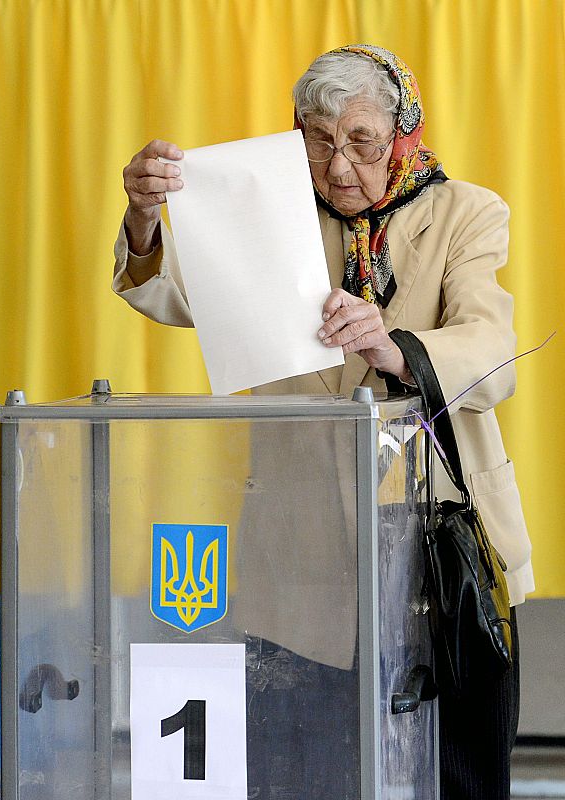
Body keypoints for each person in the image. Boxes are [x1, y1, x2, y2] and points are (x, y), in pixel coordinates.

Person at [114, 44, 533, 799]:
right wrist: (146, 218)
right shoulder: (265, 212)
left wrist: (393, 344)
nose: (338, 166)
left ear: (402, 131)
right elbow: (176, 295)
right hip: (300, 551)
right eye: (317, 140)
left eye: (361, 141)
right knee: (297, 771)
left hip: (440, 549)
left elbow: (494, 352)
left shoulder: (466, 211)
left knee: (463, 776)